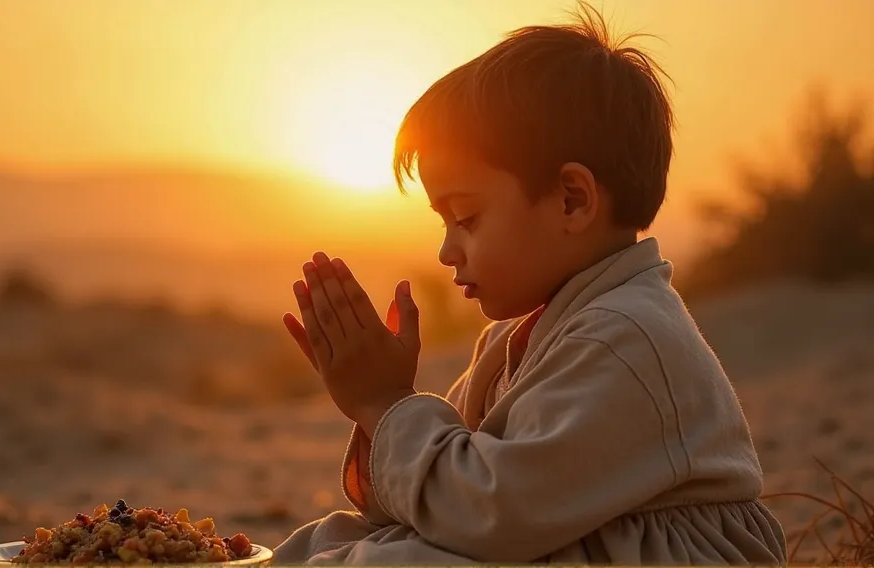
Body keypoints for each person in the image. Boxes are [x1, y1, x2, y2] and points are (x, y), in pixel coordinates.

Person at [274, 2, 788, 564]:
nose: (446, 251)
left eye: (466, 219)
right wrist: (377, 406)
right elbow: (442, 492)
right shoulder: (517, 340)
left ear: (572, 199)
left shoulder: (626, 335)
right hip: (553, 537)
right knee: (328, 541)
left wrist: (385, 402)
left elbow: (489, 513)